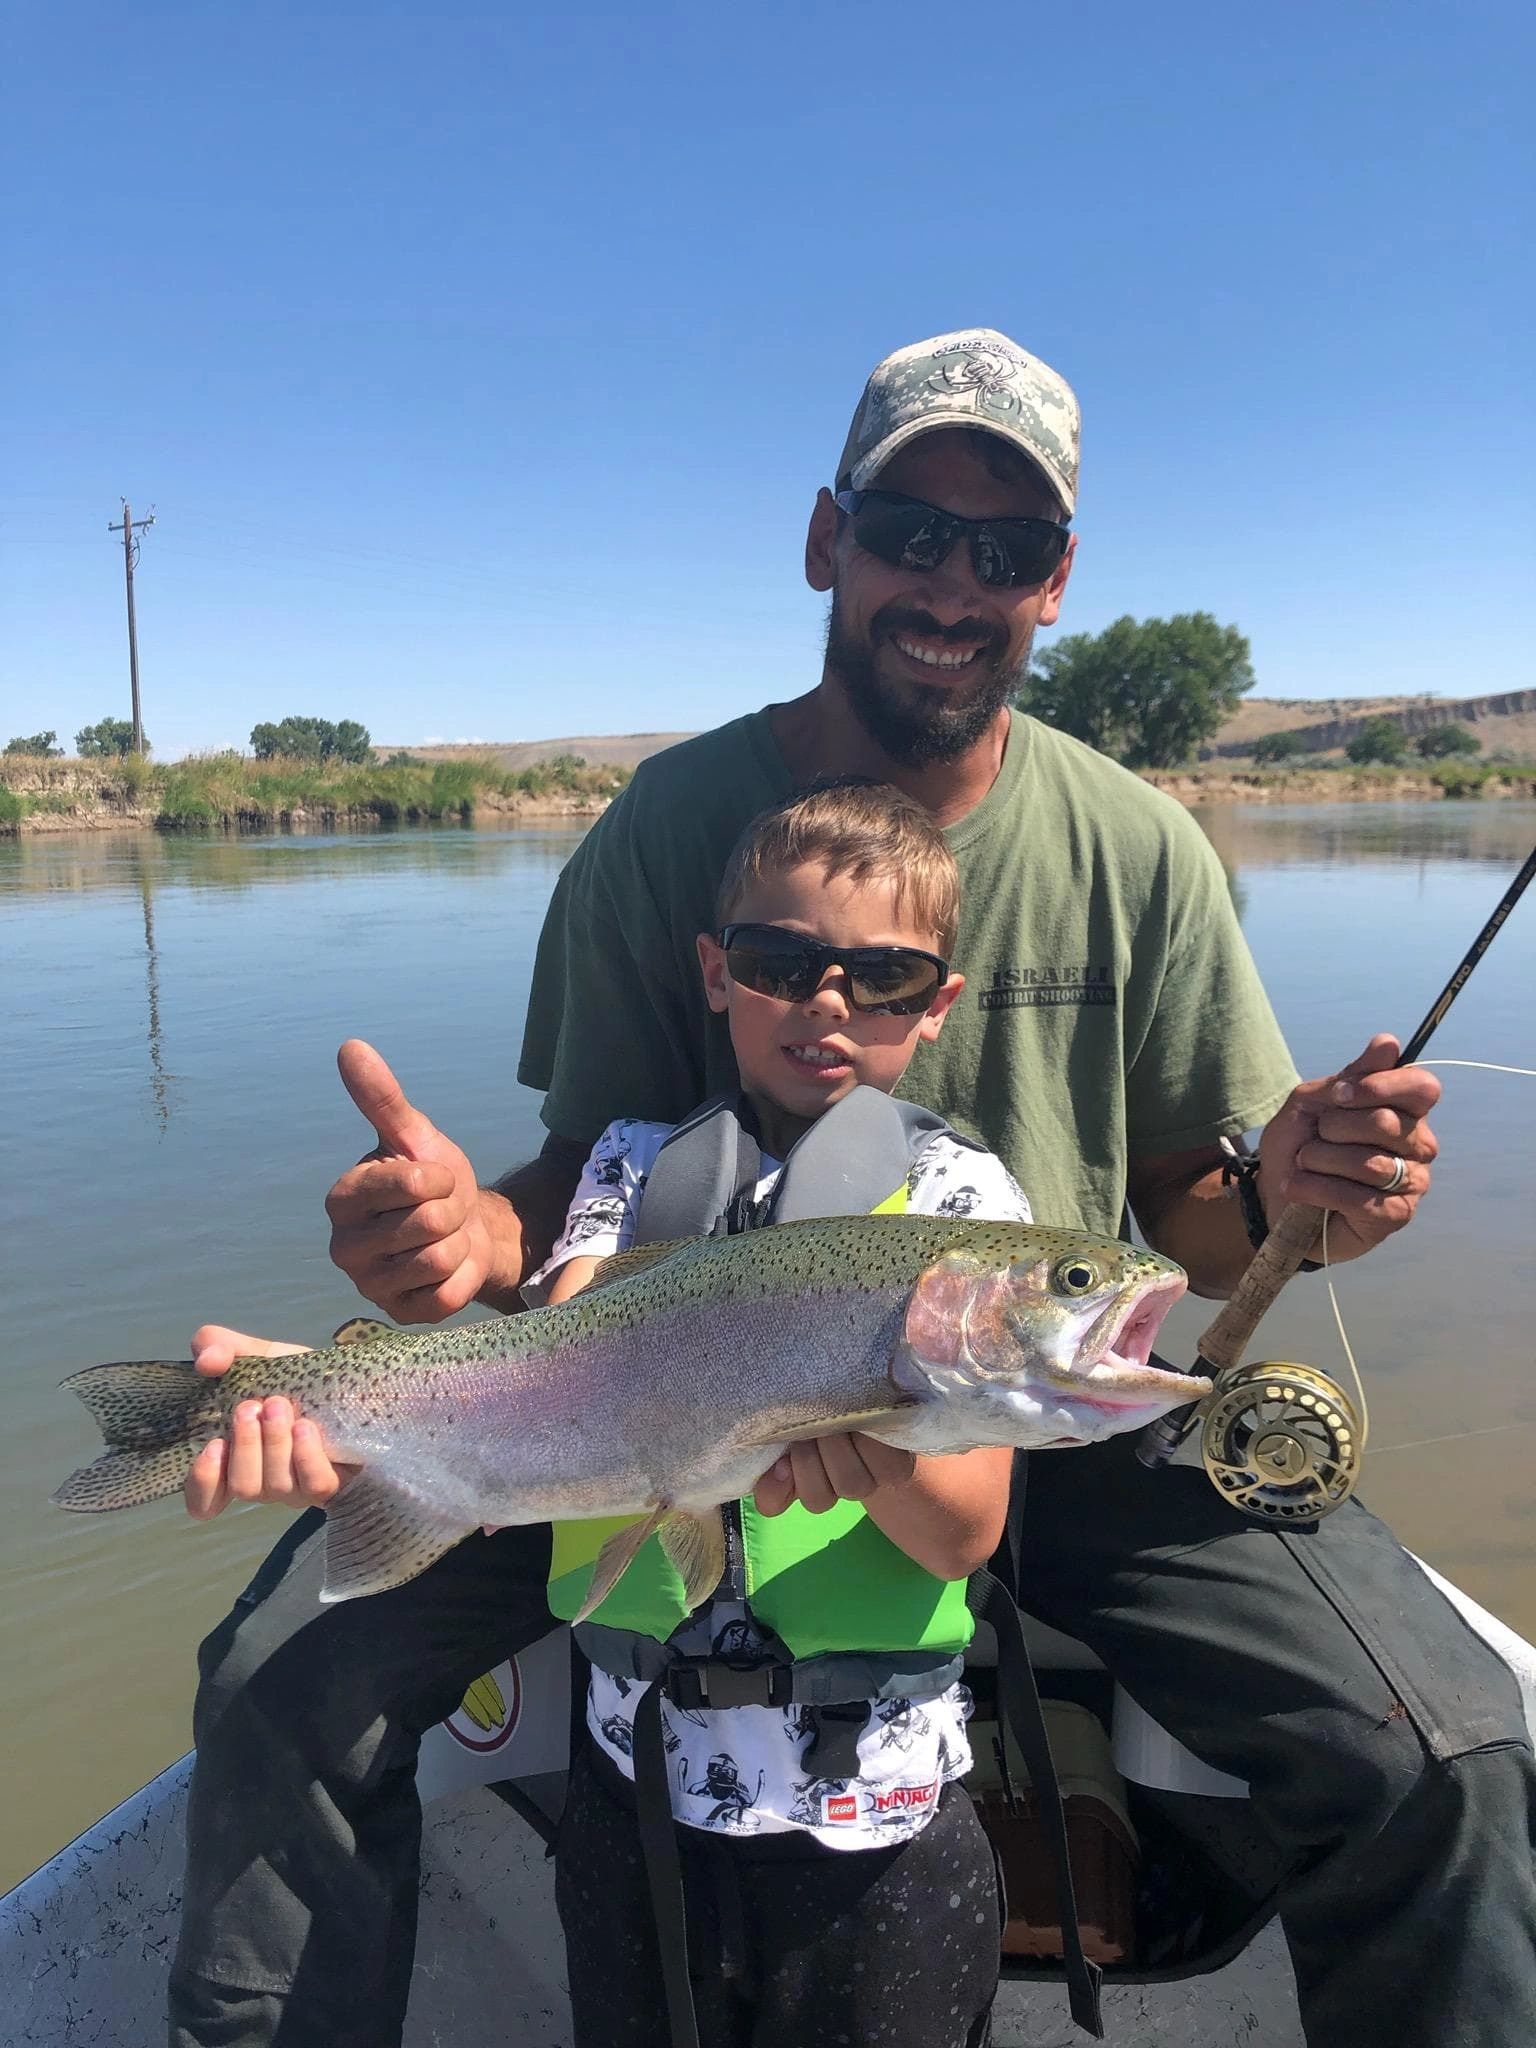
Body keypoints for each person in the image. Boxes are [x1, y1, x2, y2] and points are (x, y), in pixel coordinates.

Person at [170, 329, 1536, 2048]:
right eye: (911, 529)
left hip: (1063, 1412)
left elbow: (1199, 1201)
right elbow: (572, 1185)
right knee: (277, 1679)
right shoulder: (673, 822)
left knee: (1447, 1753)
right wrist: (464, 1235)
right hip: (662, 1400)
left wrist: (1297, 1190)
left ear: (1057, 587)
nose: (954, 584)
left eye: (1007, 550)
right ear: (828, 539)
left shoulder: (1142, 849)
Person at [538, 778, 1031, 2048]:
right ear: (716, 972)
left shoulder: (968, 1201)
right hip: (633, 1785)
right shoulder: (629, 1165)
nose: (827, 1002)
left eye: (883, 976)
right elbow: (564, 1367)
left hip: (876, 1826)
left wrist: (854, 1426)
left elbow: (967, 1530)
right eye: (780, 962)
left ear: (936, 1009)